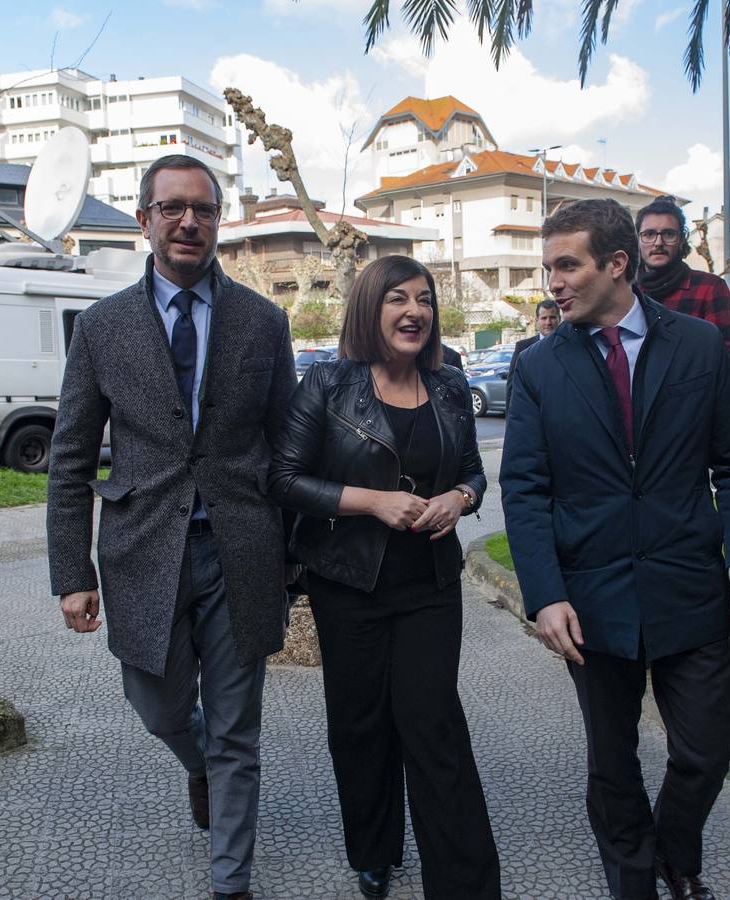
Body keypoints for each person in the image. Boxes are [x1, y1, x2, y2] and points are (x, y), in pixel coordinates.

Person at [46, 154, 297, 900]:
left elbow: (287, 447)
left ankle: (231, 881)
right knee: (156, 707)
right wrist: (71, 573)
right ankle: (198, 767)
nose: (190, 222)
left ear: (220, 220)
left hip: (240, 549)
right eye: (173, 208)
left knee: (236, 730)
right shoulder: (100, 327)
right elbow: (68, 458)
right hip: (140, 550)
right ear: (144, 220)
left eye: (205, 209)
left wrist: (296, 558)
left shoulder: (263, 320)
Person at [501, 199, 730, 900]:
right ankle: (632, 881)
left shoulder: (697, 346)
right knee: (612, 759)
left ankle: (675, 853)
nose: (553, 282)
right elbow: (524, 491)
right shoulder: (537, 366)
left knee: (709, 746)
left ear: (617, 265)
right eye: (547, 266)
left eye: (567, 264)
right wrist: (546, 593)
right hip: (591, 598)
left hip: (690, 586)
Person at [269, 255, 499, 900]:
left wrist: (460, 497)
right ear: (370, 309)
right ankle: (374, 849)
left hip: (429, 584)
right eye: (398, 298)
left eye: (424, 299)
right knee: (361, 723)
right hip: (349, 582)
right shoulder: (327, 383)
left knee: (433, 724)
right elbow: (283, 479)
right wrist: (371, 501)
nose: (414, 312)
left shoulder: (451, 385)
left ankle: (464, 884)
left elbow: (475, 471)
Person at [633, 197, 730, 376]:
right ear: (638, 240)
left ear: (682, 239)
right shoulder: (626, 292)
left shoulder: (710, 288)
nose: (658, 242)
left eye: (669, 234)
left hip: (691, 401)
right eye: (649, 234)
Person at [505, 298, 561, 408]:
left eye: (552, 317)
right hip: (532, 415)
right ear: (537, 320)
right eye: (544, 318)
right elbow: (512, 388)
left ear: (559, 319)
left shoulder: (569, 347)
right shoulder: (523, 348)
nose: (548, 322)